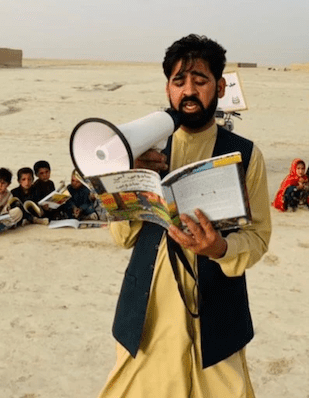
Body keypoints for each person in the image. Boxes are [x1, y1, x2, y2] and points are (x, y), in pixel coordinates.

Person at [97, 34, 271, 398]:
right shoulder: (143, 148)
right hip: (151, 310)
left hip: (217, 313)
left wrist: (220, 247)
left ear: (220, 87)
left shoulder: (245, 155)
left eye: (200, 80)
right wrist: (129, 181)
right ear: (168, 89)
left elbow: (257, 238)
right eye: (179, 81)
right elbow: (122, 238)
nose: (188, 91)